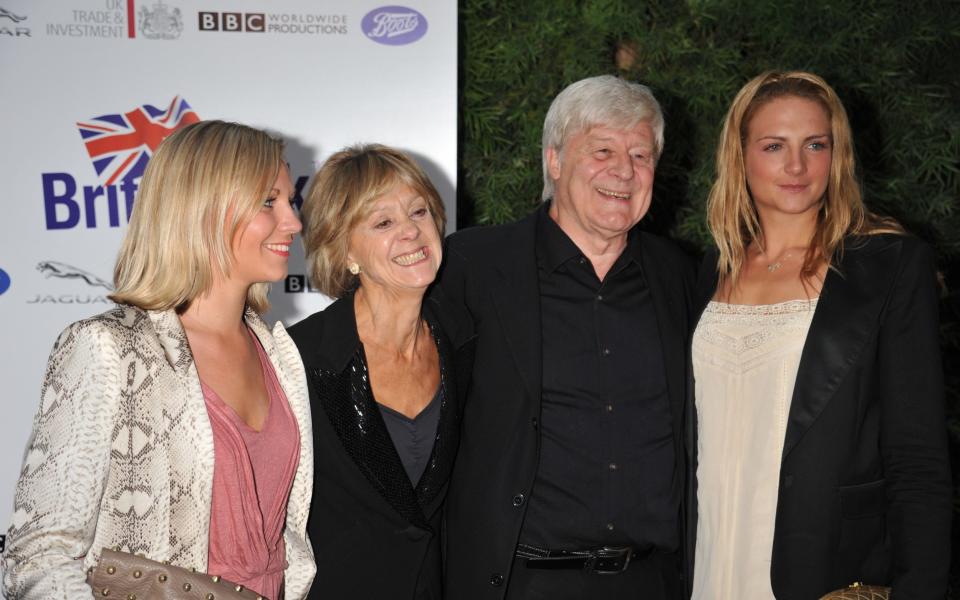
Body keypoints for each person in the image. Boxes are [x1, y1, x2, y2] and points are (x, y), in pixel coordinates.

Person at [1, 120, 315, 600]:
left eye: (290, 202)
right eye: (267, 202)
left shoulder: (279, 356)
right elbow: (38, 554)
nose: (292, 222)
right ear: (203, 208)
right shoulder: (108, 347)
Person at [690, 71, 951, 599]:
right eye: (773, 146)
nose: (796, 166)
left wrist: (918, 587)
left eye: (815, 145)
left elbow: (917, 457)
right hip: (704, 558)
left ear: (838, 156)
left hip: (825, 569)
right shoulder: (703, 274)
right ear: (739, 157)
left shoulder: (889, 268)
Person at [439, 75, 695, 599]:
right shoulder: (473, 267)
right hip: (520, 585)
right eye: (602, 150)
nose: (624, 171)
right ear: (554, 160)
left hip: (654, 583)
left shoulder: (688, 278)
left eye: (641, 155)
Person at [287, 144, 473, 600]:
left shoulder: (465, 342)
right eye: (383, 223)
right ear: (345, 249)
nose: (411, 231)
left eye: (419, 211)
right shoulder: (299, 357)